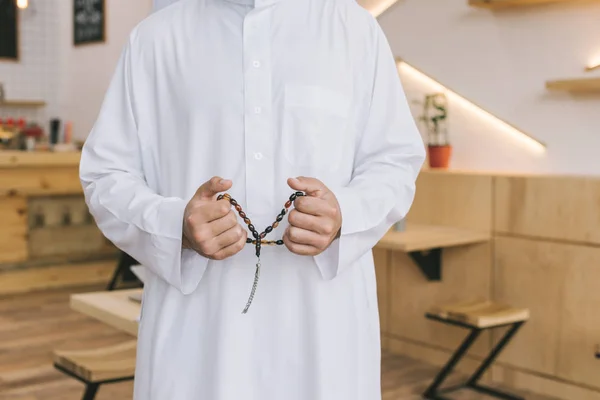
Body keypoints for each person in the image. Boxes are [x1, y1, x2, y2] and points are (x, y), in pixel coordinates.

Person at [79, 0, 425, 398]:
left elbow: (395, 160)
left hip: (323, 325)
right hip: (198, 330)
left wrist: (345, 213)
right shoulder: (156, 38)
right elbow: (105, 174)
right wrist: (174, 224)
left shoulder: (354, 30)